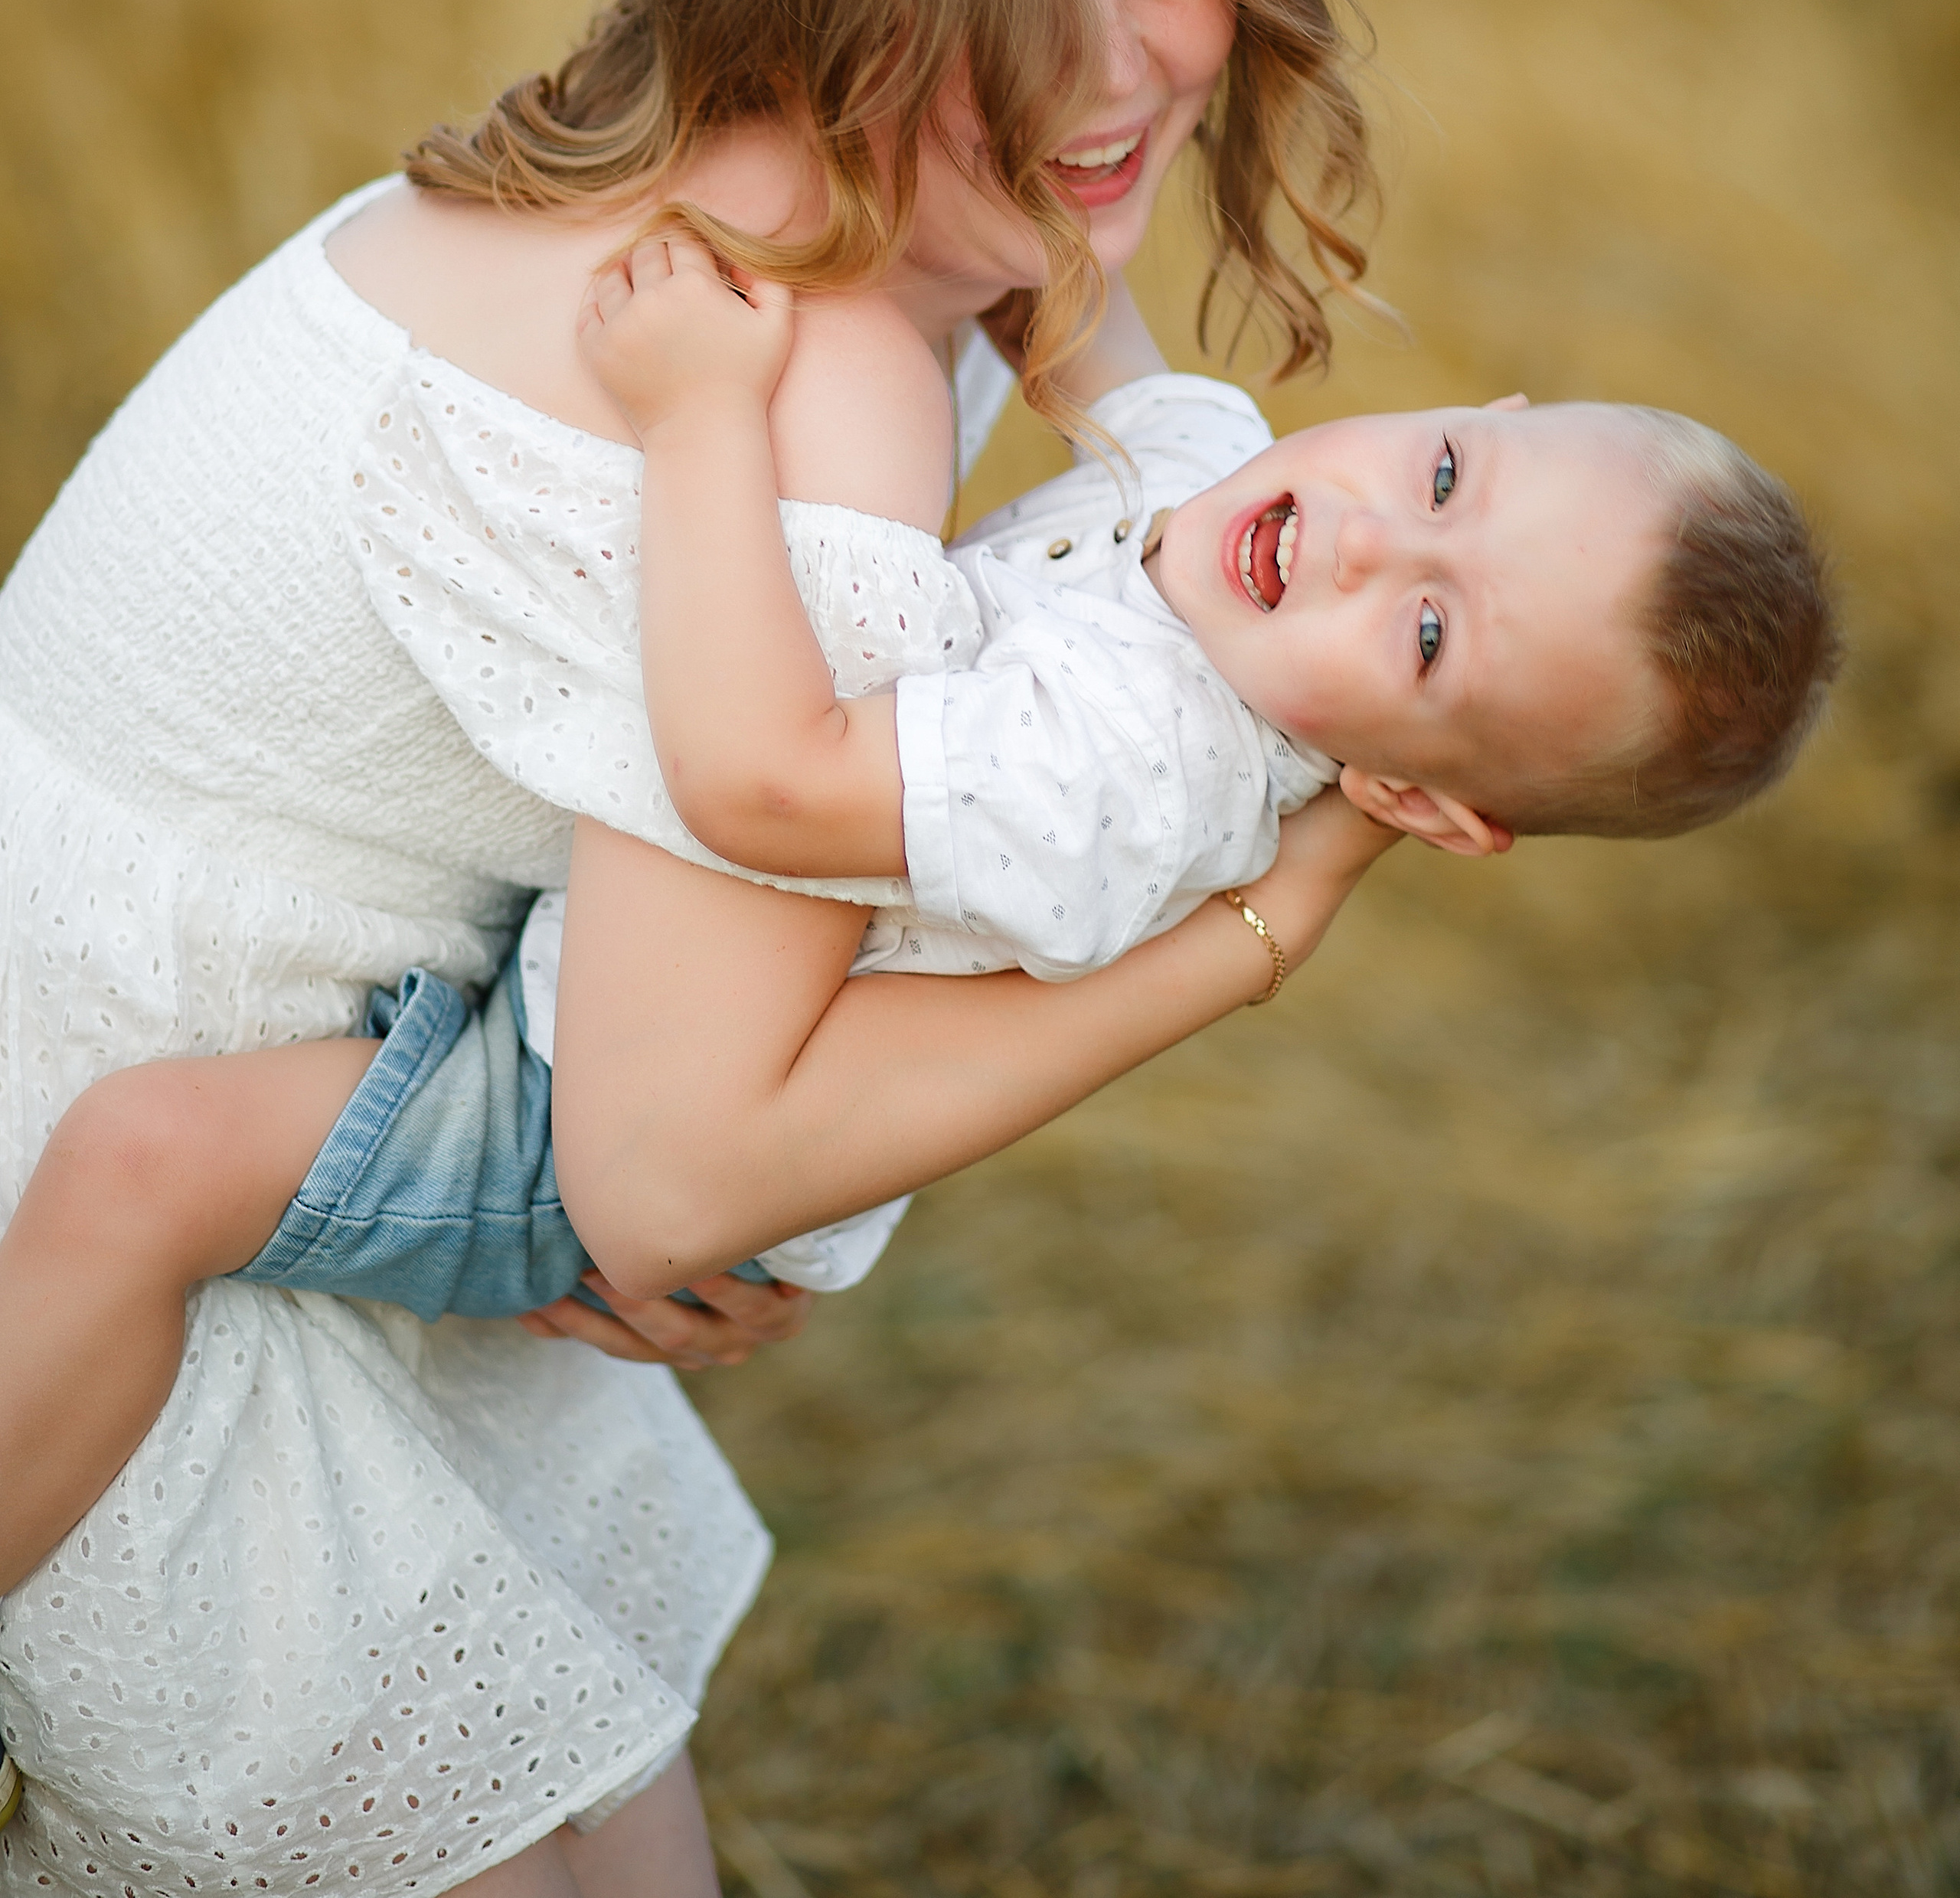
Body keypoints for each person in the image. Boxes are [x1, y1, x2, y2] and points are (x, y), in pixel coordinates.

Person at [0, 0, 1391, 1894]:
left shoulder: (787, 191)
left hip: (291, 1074)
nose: (1121, 63)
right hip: (108, 1112)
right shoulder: (817, 355)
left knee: (608, 1832)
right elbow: (669, 1172)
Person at [0, 231, 1840, 1614]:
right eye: (1443, 478)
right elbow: (1074, 306)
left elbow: (771, 782)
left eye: (1430, 636)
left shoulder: (1130, 776)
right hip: (590, 972)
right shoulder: (1233, 483)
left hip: (582, 1120)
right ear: (1474, 413)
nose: (1366, 542)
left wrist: (704, 409)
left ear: (1425, 804)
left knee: (146, 1164)